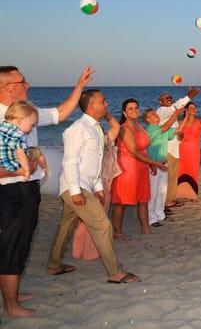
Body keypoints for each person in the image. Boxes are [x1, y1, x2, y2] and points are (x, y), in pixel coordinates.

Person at [0, 65, 92, 318]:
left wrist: (79, 86)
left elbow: (61, 114)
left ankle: (12, 294)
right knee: (12, 244)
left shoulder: (25, 111)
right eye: (22, 81)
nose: (27, 85)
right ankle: (11, 305)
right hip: (10, 192)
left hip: (28, 187)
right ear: (6, 87)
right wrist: (20, 172)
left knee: (22, 241)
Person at [47, 90, 141, 284]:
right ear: (91, 107)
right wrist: (75, 191)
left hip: (85, 186)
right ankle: (114, 273)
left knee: (66, 226)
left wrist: (97, 185)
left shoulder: (96, 128)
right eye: (103, 101)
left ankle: (54, 265)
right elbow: (70, 161)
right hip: (75, 186)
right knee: (103, 225)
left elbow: (95, 161)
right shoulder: (78, 129)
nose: (106, 104)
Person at [111, 99, 166, 239]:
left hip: (141, 165)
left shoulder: (139, 126)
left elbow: (143, 149)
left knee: (143, 199)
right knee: (121, 202)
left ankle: (145, 229)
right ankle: (117, 232)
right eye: (130, 108)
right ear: (124, 112)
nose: (134, 110)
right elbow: (134, 152)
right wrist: (156, 162)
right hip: (128, 168)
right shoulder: (124, 128)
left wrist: (150, 164)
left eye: (136, 107)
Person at [71, 111, 121, 260]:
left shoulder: (95, 141)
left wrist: (105, 113)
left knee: (84, 218)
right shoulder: (101, 141)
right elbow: (116, 127)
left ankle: (78, 251)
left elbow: (116, 127)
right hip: (97, 183)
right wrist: (106, 114)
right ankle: (90, 252)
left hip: (86, 182)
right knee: (97, 219)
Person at [156, 88, 201, 209]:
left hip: (175, 149)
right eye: (166, 98)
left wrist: (179, 136)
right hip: (168, 149)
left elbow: (175, 129)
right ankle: (164, 202)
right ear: (160, 102)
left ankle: (170, 200)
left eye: (170, 97)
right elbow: (174, 109)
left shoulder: (169, 112)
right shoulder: (162, 111)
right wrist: (188, 97)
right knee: (166, 176)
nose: (169, 99)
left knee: (172, 176)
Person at [143, 107, 183, 227]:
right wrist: (175, 113)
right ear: (148, 120)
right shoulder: (149, 130)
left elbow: (175, 131)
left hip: (164, 163)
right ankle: (151, 218)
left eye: (155, 114)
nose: (156, 115)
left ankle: (160, 214)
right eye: (152, 115)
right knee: (153, 192)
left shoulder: (163, 130)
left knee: (162, 192)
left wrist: (180, 131)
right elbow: (166, 127)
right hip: (153, 165)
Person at [0, 101, 46, 181]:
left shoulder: (2, 127)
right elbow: (20, 154)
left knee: (33, 150)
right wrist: (26, 170)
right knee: (35, 151)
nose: (32, 129)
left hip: (3, 163)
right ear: (20, 121)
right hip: (11, 166)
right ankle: (42, 163)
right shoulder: (18, 134)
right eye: (32, 125)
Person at [176, 98, 201, 201]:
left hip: (194, 151)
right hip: (181, 149)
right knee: (181, 170)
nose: (193, 109)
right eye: (191, 107)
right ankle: (179, 193)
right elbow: (177, 134)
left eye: (194, 108)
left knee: (193, 170)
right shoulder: (180, 122)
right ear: (186, 109)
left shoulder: (199, 122)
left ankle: (192, 195)